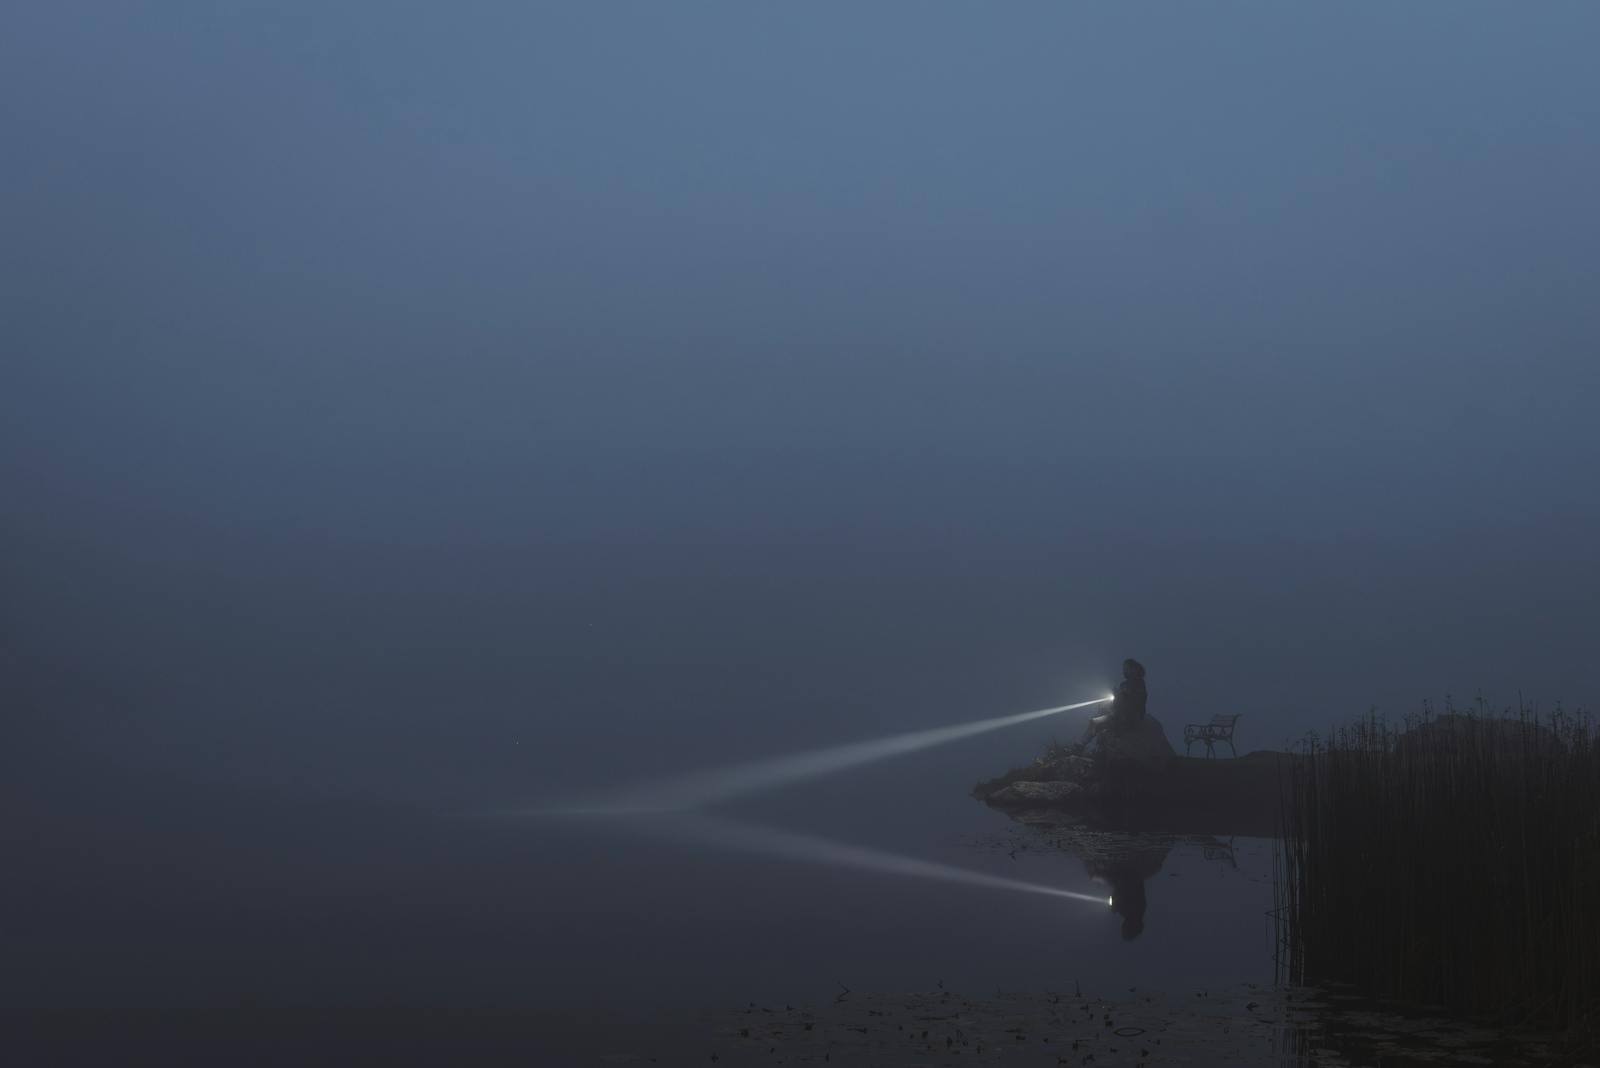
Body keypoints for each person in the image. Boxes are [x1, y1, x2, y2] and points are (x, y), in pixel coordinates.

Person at [1084, 658, 1148, 740]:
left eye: (1126, 668)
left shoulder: (1138, 684)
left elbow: (1136, 702)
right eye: (1124, 669)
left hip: (1127, 717)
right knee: (1097, 717)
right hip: (1120, 714)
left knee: (1095, 722)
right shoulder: (1125, 684)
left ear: (1133, 669)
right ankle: (1085, 744)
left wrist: (1120, 695)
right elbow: (1119, 703)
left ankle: (1080, 745)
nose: (1124, 671)